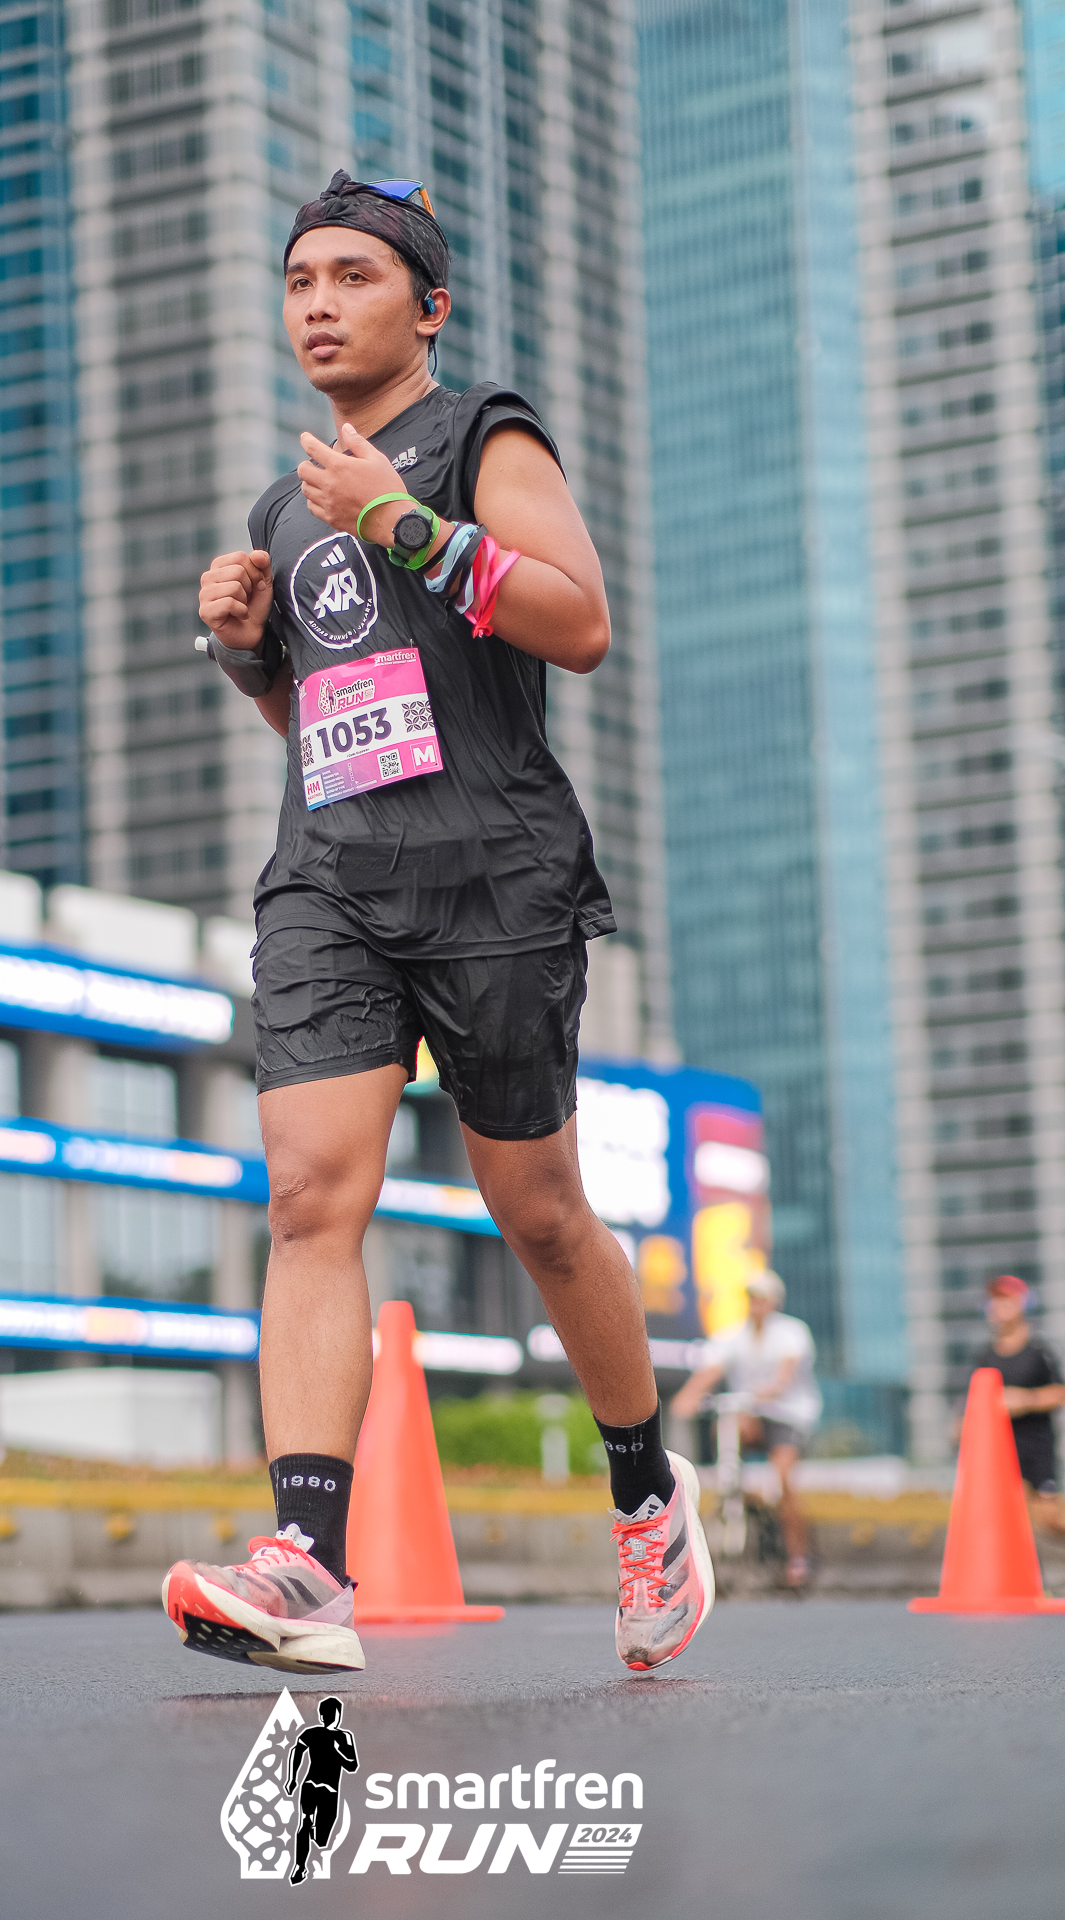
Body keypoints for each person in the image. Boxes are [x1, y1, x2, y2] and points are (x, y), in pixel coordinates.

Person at [159, 171, 713, 1677]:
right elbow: (319, 717)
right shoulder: (287, 504)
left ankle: (647, 1494)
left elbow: (577, 624)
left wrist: (401, 519)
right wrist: (242, 650)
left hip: (492, 874)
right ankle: (306, 1564)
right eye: (299, 281)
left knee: (537, 1210)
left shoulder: (481, 438)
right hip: (330, 882)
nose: (318, 304)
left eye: (352, 276)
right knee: (305, 1197)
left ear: (428, 305)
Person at [672, 1270, 821, 1590]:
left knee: (784, 1478)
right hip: (751, 1413)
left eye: (763, 1298)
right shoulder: (733, 1336)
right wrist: (687, 1398)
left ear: (775, 1301)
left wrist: (772, 1389)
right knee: (727, 1429)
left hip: (788, 1416)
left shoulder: (791, 1332)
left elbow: (786, 1373)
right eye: (753, 1297)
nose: (757, 1304)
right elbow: (710, 1370)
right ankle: (732, 1493)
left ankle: (798, 1557)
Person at [973, 1274, 1065, 1539]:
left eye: (1004, 1301)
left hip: (1037, 1447)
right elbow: (976, 1398)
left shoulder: (1039, 1351)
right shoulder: (985, 1356)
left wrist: (1026, 1400)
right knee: (1010, 1518)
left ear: (1021, 1305)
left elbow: (1060, 1392)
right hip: (1000, 1448)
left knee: (1049, 1518)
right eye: (993, 1301)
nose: (996, 1307)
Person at [285, 1696, 358, 1886]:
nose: (330, 1717)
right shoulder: (312, 1733)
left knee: (321, 1839)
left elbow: (352, 1766)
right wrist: (292, 1778)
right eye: (327, 1713)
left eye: (332, 1713)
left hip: (328, 1790)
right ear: (322, 1715)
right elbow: (296, 1751)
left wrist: (336, 1752)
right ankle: (300, 1866)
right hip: (313, 1785)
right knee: (305, 1821)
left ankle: (312, 1835)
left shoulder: (344, 1737)